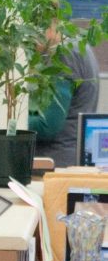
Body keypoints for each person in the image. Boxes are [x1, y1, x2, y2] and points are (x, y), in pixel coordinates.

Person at [29, 31, 100, 167]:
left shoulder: (62, 54)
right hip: (74, 157)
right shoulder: (78, 44)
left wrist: (6, 124)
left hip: (55, 161)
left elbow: (48, 125)